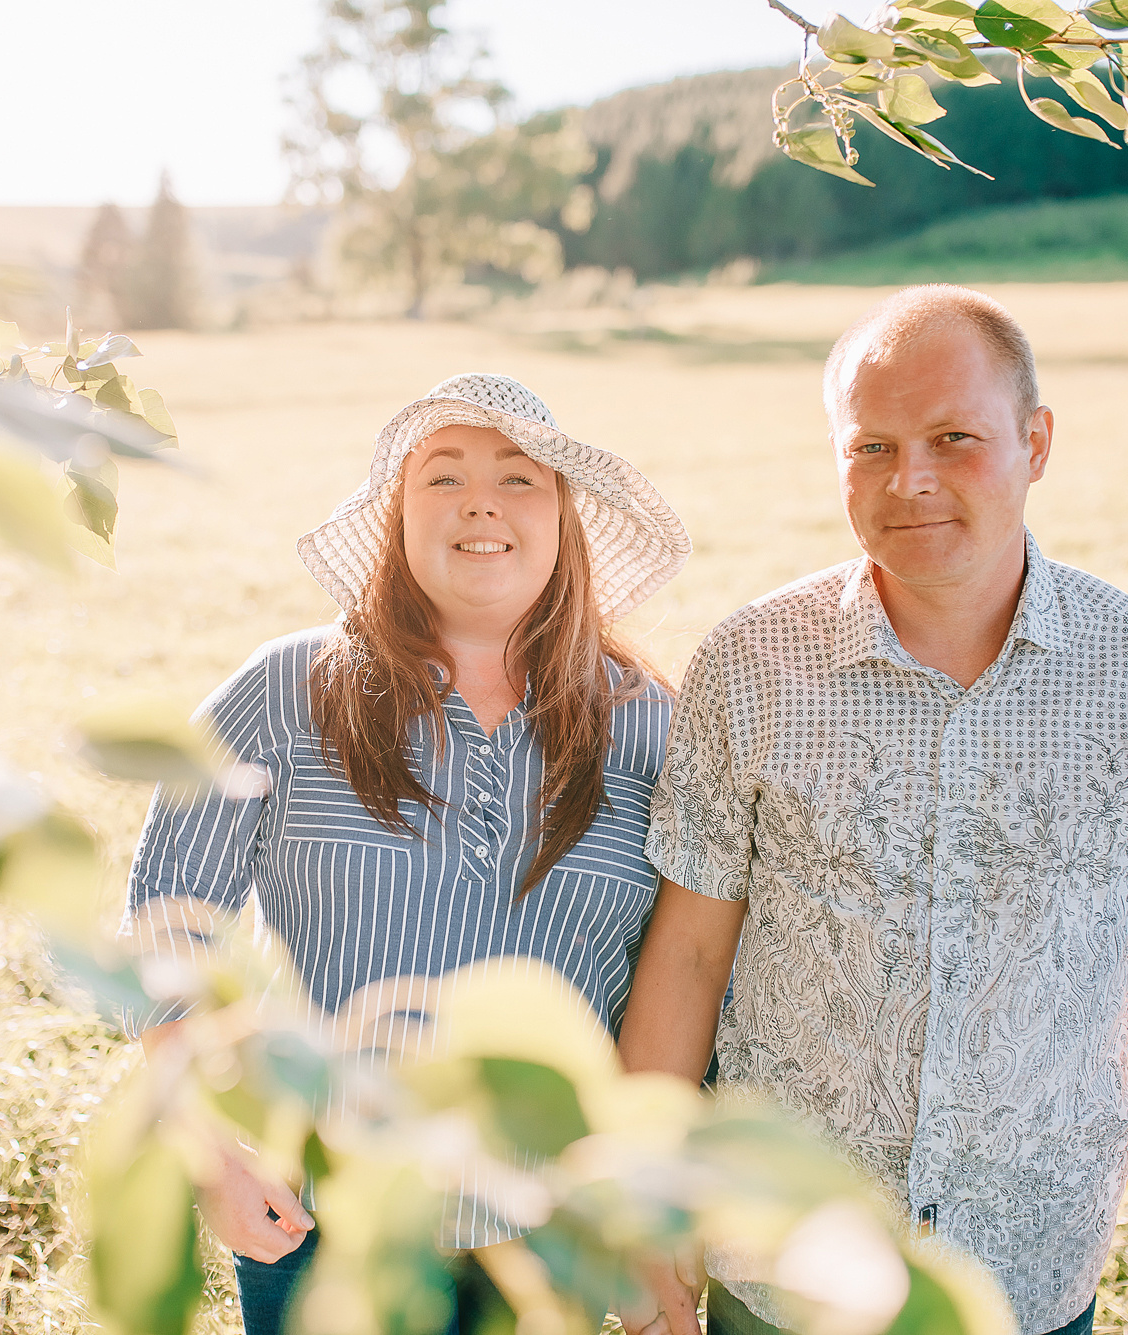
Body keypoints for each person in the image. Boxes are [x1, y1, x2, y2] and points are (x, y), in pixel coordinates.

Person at [618, 286, 1128, 1335]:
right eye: (870, 448)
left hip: (1024, 1276)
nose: (911, 480)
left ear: (1035, 443)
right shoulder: (749, 666)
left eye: (952, 438)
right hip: (781, 1264)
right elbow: (689, 956)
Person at [125, 372, 689, 1335]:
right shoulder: (287, 690)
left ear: (564, 521)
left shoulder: (647, 724)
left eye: (520, 479)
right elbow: (164, 934)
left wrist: (653, 1230)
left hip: (550, 1238)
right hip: (325, 1218)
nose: (481, 501)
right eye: (443, 477)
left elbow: (677, 984)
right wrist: (217, 1155)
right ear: (396, 517)